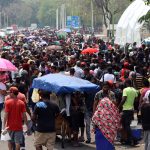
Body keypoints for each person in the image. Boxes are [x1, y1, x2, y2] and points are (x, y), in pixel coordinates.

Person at [119, 79, 138, 145]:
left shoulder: (125, 90)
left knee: (126, 126)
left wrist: (119, 107)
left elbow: (123, 99)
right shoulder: (134, 90)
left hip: (126, 110)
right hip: (131, 110)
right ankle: (128, 140)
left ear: (127, 83)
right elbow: (136, 99)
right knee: (125, 125)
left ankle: (134, 139)